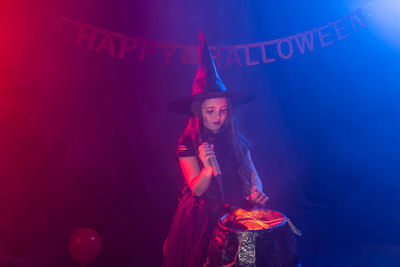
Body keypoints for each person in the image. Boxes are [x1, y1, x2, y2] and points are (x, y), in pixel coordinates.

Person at [163, 32, 269, 267]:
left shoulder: (236, 137)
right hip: (203, 218)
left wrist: (256, 192)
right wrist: (208, 170)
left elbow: (254, 175)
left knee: (245, 262)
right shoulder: (188, 140)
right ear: (199, 111)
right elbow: (197, 189)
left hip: (239, 210)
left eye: (222, 110)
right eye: (211, 111)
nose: (218, 117)